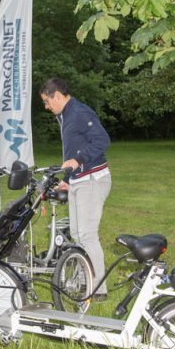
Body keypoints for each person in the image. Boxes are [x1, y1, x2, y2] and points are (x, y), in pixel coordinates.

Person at [39, 78, 111, 301]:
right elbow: (73, 150)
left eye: (47, 101)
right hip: (79, 180)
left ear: (57, 96)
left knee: (87, 235)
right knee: (78, 235)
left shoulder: (79, 112)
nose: (46, 106)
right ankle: (84, 280)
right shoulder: (65, 116)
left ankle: (98, 289)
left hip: (93, 179)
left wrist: (78, 160)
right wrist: (69, 179)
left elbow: (102, 140)